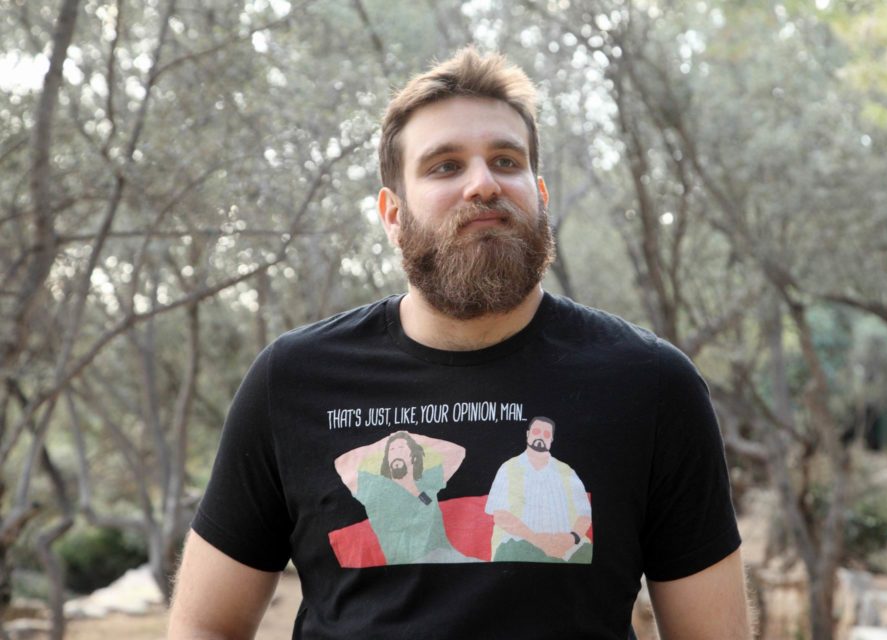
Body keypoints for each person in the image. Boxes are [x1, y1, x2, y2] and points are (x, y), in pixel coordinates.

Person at [169, 47, 751, 639]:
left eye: (505, 161)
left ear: (540, 194)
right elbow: (205, 625)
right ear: (393, 215)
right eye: (445, 166)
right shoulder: (294, 380)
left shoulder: (650, 384)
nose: (483, 184)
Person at [333, 431, 470, 564]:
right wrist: (384, 442)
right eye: (392, 450)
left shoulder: (426, 480)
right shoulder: (375, 486)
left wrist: (410, 437)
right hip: (402, 563)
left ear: (413, 456)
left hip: (443, 555)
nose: (396, 453)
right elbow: (341, 463)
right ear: (386, 459)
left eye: (401, 449)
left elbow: (458, 452)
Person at [486, 417, 593, 563]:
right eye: (536, 431)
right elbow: (500, 515)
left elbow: (585, 515)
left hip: (568, 549)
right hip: (519, 546)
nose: (541, 437)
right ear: (528, 434)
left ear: (551, 439)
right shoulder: (508, 468)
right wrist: (537, 540)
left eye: (546, 434)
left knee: (586, 552)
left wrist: (571, 538)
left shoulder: (567, 472)